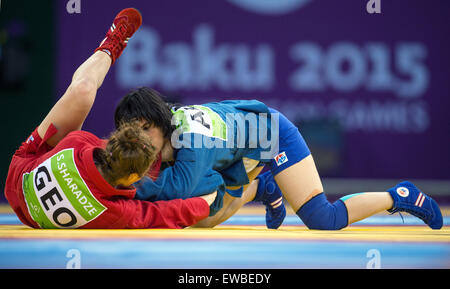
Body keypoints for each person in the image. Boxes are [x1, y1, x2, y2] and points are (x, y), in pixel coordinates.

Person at [114, 87, 443, 230]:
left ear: (150, 122)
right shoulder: (166, 127)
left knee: (322, 218)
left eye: (139, 134)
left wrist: (121, 190)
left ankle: (398, 196)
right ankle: (261, 187)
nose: (137, 144)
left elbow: (178, 189)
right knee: (206, 219)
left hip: (272, 134)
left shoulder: (191, 138)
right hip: (237, 147)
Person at [4, 8, 216, 229]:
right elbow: (163, 213)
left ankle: (109, 46)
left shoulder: (76, 143)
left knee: (83, 90)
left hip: (21, 169)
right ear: (133, 178)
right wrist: (208, 200)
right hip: (27, 189)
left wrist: (204, 202)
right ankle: (112, 44)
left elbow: (163, 215)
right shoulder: (116, 211)